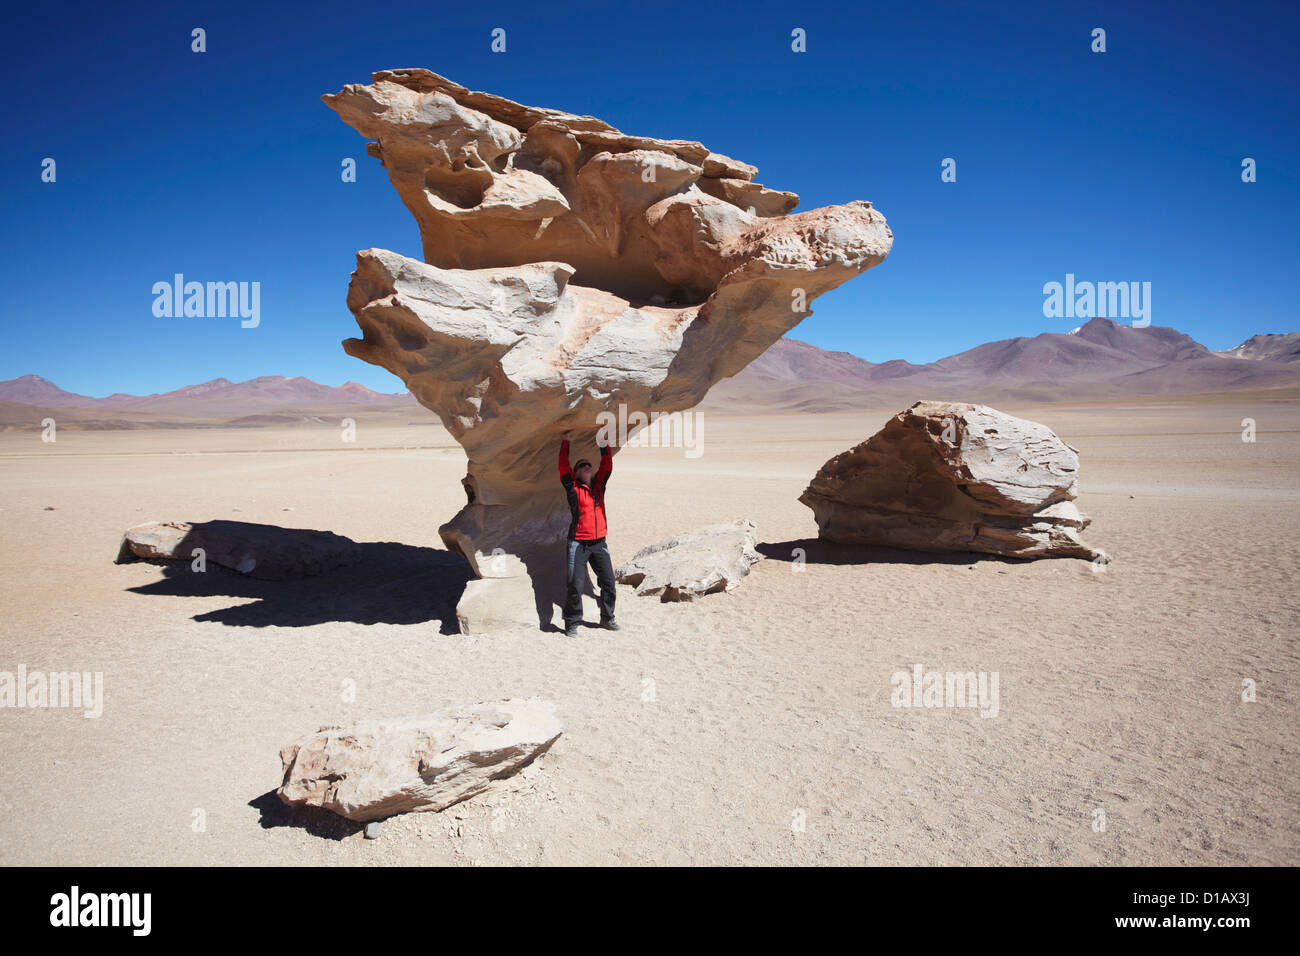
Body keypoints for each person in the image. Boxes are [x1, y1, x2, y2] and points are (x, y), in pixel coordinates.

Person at [558, 437, 618, 636]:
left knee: (609, 582)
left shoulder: (599, 487)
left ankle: (607, 619)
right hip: (578, 543)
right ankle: (572, 622)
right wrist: (566, 442)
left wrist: (603, 444)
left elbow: (607, 466)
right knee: (575, 584)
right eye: (582, 465)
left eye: (589, 464)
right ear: (576, 472)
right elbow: (563, 467)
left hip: (599, 542)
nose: (587, 466)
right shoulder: (573, 490)